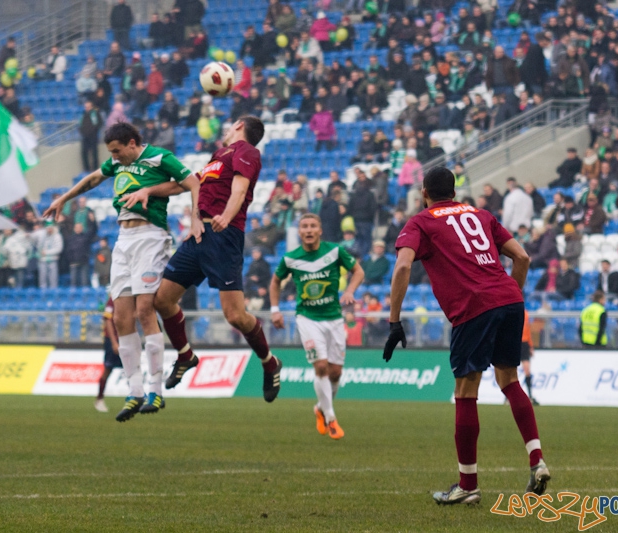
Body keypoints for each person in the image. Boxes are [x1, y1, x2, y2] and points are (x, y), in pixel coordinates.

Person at [385, 166, 549, 505]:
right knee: (510, 381)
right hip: (509, 299)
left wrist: (394, 320)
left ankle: (468, 485)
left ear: (424, 193)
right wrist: (506, 298)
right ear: (455, 192)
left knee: (465, 390)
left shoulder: (421, 221)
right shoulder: (482, 214)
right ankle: (537, 460)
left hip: (473, 307)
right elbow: (522, 256)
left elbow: (402, 266)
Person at [43, 122, 201, 422]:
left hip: (151, 236)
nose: (115, 158)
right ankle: (135, 391)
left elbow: (192, 182)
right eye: (111, 154)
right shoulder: (117, 162)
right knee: (120, 317)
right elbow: (93, 179)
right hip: (123, 240)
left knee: (145, 310)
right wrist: (64, 198)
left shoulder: (159, 157)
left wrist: (194, 218)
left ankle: (156, 389)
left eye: (118, 151)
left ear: (132, 143)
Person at [131, 116, 283, 403]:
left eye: (231, 125)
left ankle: (269, 362)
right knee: (162, 300)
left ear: (240, 125)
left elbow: (239, 188)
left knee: (235, 316)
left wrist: (226, 214)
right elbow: (190, 184)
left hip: (223, 237)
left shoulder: (246, 151)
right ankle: (185, 355)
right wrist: (150, 190)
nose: (226, 128)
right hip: (198, 235)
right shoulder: (218, 156)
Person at [270, 214, 365, 440]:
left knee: (335, 372)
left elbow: (358, 271)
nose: (309, 230)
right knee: (320, 366)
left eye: (313, 226)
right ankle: (331, 418)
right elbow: (275, 281)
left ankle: (320, 408)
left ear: (320, 230)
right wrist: (275, 309)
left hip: (334, 318)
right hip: (307, 318)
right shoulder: (291, 259)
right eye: (304, 226)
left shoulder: (334, 251)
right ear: (300, 232)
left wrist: (350, 291)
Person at [95, 295, 122, 413]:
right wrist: (114, 342)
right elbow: (108, 320)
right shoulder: (112, 300)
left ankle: (137, 398)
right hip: (113, 339)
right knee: (108, 368)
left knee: (134, 368)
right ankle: (99, 399)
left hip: (126, 338)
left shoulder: (130, 297)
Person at [520, 307, 538, 405]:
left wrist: (530, 345)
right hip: (517, 342)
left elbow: (528, 330)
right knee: (511, 372)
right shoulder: (524, 313)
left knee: (527, 371)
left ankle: (530, 396)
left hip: (524, 343)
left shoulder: (526, 313)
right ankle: (507, 398)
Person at [79, 101, 102, 172]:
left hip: (93, 136)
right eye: (86, 107)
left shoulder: (95, 114)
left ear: (91, 106)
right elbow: (80, 125)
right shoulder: (83, 114)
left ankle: (95, 168)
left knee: (94, 153)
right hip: (85, 137)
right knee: (84, 153)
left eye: (88, 107)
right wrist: (82, 132)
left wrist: (93, 131)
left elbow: (99, 123)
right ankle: (86, 169)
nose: (87, 108)